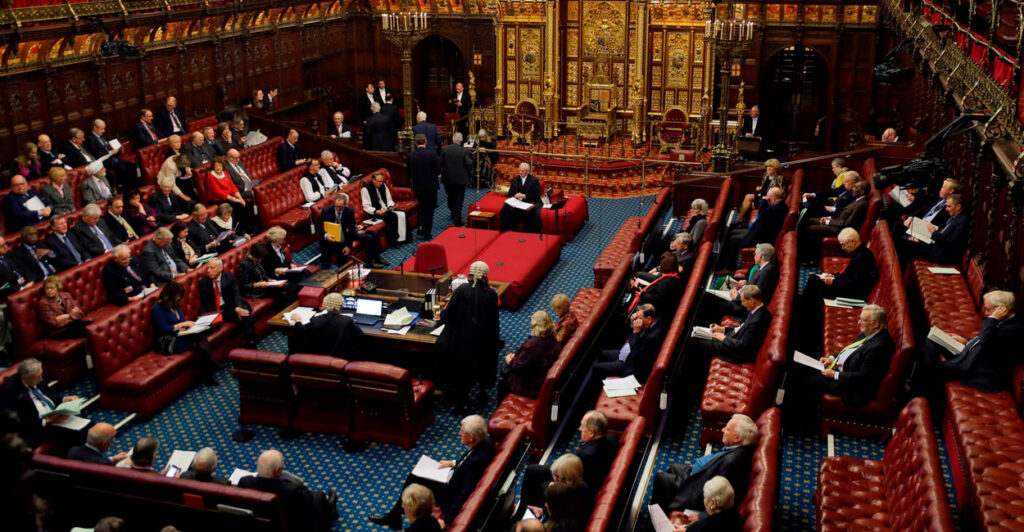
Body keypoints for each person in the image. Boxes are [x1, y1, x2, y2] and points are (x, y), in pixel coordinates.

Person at [369, 415, 494, 529]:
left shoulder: (477, 462)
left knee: (415, 479)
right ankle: (395, 516)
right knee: (415, 475)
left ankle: (395, 518)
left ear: (471, 437)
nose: (459, 433)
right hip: (452, 478)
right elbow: (468, 459)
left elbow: (465, 495)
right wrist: (453, 463)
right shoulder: (484, 441)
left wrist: (446, 521)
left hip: (449, 494)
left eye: (462, 432)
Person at [783, 304, 895, 430]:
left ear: (876, 324)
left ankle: (793, 423)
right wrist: (831, 358)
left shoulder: (879, 347)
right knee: (796, 367)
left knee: (801, 381)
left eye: (863, 320)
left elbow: (865, 378)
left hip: (849, 385)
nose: (859, 323)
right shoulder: (869, 332)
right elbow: (848, 350)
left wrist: (835, 375)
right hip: (839, 368)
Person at [652, 414, 758, 512]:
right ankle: (666, 503)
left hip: (696, 489)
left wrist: (701, 515)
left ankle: (656, 517)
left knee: (661, 478)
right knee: (673, 467)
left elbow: (719, 497)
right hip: (700, 473)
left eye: (728, 429)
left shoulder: (732, 463)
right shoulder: (738, 446)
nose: (722, 430)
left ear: (737, 438)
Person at [922, 290, 1021, 394]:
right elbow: (985, 339)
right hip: (969, 355)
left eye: (988, 310)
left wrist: (993, 318)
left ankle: (924, 386)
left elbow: (985, 340)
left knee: (928, 368)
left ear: (1001, 310)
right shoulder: (1001, 321)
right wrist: (966, 341)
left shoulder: (1012, 329)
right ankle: (926, 380)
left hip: (973, 369)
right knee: (933, 338)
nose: (986, 314)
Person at [798, 229, 877, 350]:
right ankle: (804, 316)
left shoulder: (863, 257)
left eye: (844, 244)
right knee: (814, 279)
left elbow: (855, 284)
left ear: (852, 241)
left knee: (814, 283)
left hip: (853, 295)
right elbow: (848, 274)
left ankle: (805, 323)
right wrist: (834, 276)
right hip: (846, 287)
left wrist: (834, 281)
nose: (842, 248)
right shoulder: (859, 252)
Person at [436, 261, 501, 411]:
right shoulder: (491, 294)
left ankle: (459, 402)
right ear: (486, 275)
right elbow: (494, 321)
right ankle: (482, 392)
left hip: (461, 342)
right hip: (483, 343)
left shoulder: (461, 290)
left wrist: (441, 315)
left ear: (470, 274)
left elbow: (448, 315)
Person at [521, 410, 617, 509]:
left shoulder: (586, 456)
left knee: (533, 477)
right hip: (576, 476)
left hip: (572, 491)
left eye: (582, 426)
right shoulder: (611, 438)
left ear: (592, 432)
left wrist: (552, 484)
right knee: (533, 470)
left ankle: (525, 510)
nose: (579, 429)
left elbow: (574, 484)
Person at [238, 450, 338, 532]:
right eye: (282, 466)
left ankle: (330, 507)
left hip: (258, 523)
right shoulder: (290, 489)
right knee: (319, 496)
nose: (284, 467)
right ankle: (331, 509)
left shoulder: (244, 481)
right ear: (277, 471)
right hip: (289, 524)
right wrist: (293, 481)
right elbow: (308, 499)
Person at [0, 358, 82, 449]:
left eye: (41, 375)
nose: (41, 379)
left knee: (90, 427)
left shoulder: (37, 376)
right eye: (37, 377)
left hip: (55, 416)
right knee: (76, 435)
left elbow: (49, 396)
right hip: (39, 427)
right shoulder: (10, 392)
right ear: (24, 378)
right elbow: (17, 424)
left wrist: (65, 399)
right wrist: (47, 421)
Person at [151, 282, 221, 386]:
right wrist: (182, 325)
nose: (180, 298)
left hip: (178, 335)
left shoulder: (175, 306)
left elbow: (182, 322)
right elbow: (164, 328)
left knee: (200, 336)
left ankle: (208, 373)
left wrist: (190, 326)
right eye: (178, 296)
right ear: (171, 294)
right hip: (166, 340)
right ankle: (210, 369)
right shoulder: (157, 309)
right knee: (199, 345)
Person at [692, 285, 772, 364]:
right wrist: (723, 329)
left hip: (736, 352)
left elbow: (742, 346)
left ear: (751, 301)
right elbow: (742, 327)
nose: (742, 304)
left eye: (744, 301)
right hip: (734, 339)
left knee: (695, 341)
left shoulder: (757, 320)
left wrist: (723, 338)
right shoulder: (757, 310)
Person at [702, 243, 779, 323]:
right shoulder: (766, 268)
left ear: (760, 256)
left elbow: (757, 294)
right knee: (714, 292)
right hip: (742, 298)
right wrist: (745, 284)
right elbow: (755, 286)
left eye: (755, 254)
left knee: (708, 297)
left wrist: (737, 297)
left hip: (744, 307)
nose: (754, 256)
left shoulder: (767, 271)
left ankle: (707, 325)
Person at [592, 303, 666, 382]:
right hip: (629, 354)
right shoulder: (656, 322)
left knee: (597, 367)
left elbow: (636, 355)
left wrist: (636, 331)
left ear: (649, 319)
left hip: (631, 365)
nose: (637, 321)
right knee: (602, 354)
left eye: (639, 318)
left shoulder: (653, 337)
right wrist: (633, 325)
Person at [799, 180, 869, 263]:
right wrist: (829, 218)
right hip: (837, 222)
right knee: (809, 220)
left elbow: (848, 223)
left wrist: (828, 222)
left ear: (862, 191)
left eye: (855, 188)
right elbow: (842, 213)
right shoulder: (857, 199)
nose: (853, 189)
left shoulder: (862, 204)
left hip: (841, 230)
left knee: (810, 229)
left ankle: (810, 258)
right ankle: (801, 252)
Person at [717, 187, 785, 270]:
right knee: (731, 232)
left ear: (773, 199)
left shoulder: (779, 209)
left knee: (733, 239)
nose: (767, 199)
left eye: (768, 197)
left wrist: (763, 202)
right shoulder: (778, 205)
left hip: (761, 237)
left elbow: (763, 216)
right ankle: (720, 262)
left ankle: (728, 268)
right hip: (758, 231)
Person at [498, 311, 560, 399]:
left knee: (502, 385)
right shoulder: (552, 338)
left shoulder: (534, 346)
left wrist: (510, 360)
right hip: (540, 373)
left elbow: (519, 365)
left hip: (531, 384)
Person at [316, 192, 387, 269]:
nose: (338, 209)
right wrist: (326, 235)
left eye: (341, 207)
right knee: (326, 266)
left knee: (344, 266)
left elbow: (351, 230)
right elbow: (318, 227)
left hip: (343, 238)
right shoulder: (326, 211)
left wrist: (348, 246)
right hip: (329, 240)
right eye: (336, 206)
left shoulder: (349, 211)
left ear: (345, 205)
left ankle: (376, 259)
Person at [288, 292, 365, 359]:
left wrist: (298, 321)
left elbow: (303, 332)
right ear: (341, 307)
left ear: (324, 306)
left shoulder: (316, 320)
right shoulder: (347, 320)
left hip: (318, 355)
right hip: (341, 357)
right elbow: (359, 336)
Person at [199, 258, 255, 347]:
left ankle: (251, 344)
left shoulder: (230, 278)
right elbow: (204, 302)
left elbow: (236, 294)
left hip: (228, 308)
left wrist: (237, 307)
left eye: (212, 268)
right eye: (208, 268)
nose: (208, 271)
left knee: (245, 314)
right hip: (215, 311)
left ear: (220, 268)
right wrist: (201, 316)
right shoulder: (203, 282)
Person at [526, 455, 589, 529]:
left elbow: (554, 522)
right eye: (554, 474)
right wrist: (542, 512)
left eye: (558, 477)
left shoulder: (571, 504)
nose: (554, 478)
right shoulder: (578, 485)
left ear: (568, 480)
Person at [905, 193, 970, 265]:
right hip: (936, 245)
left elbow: (952, 243)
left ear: (958, 206)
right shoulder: (956, 216)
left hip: (943, 254)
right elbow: (943, 233)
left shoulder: (962, 221)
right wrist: (922, 238)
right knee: (907, 239)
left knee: (906, 242)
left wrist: (934, 233)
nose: (946, 209)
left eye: (949, 206)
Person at [674, 476, 745, 531]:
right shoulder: (737, 518)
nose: (704, 501)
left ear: (713, 503)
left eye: (705, 497)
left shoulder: (706, 526)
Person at [85, 119, 138, 189]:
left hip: (112, 158)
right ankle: (125, 187)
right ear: (95, 128)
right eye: (102, 129)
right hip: (104, 161)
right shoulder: (91, 139)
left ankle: (134, 185)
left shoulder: (101, 136)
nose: (104, 131)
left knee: (131, 165)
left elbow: (106, 146)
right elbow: (96, 154)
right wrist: (111, 152)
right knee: (123, 168)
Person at [361, 170, 407, 246]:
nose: (381, 183)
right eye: (379, 181)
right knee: (393, 216)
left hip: (385, 209)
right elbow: (366, 206)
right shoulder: (365, 190)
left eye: (381, 181)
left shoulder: (383, 185)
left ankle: (403, 238)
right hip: (375, 213)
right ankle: (394, 241)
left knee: (402, 213)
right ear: (373, 180)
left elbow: (389, 199)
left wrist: (390, 206)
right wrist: (376, 211)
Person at [408, 133, 441, 237]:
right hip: (431, 185)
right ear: (425, 141)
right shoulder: (432, 154)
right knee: (429, 208)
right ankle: (427, 232)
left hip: (418, 185)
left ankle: (420, 227)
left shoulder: (411, 155)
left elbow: (409, 172)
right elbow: (438, 170)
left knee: (421, 207)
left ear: (415, 143)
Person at [441, 132, 473, 227]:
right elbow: (469, 164)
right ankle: (457, 220)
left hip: (447, 179)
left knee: (450, 196)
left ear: (453, 140)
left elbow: (441, 163)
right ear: (461, 140)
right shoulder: (464, 151)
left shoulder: (445, 149)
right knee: (459, 199)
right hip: (460, 179)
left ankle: (452, 212)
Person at [500, 162, 542, 233]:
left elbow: (537, 195)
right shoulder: (515, 179)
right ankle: (507, 231)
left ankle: (527, 233)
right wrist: (515, 195)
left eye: (522, 171)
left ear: (527, 171)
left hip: (528, 201)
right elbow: (510, 193)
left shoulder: (533, 181)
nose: (520, 172)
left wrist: (524, 195)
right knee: (504, 210)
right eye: (519, 170)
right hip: (516, 202)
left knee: (528, 213)